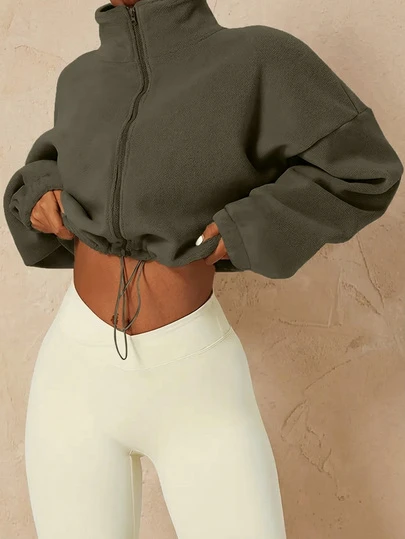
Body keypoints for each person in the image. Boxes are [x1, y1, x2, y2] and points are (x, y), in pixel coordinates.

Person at [2, 0, 403, 537]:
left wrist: (253, 225)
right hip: (71, 374)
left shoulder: (256, 58)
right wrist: (38, 193)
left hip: (194, 379)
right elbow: (61, 163)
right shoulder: (80, 78)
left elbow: (365, 169)